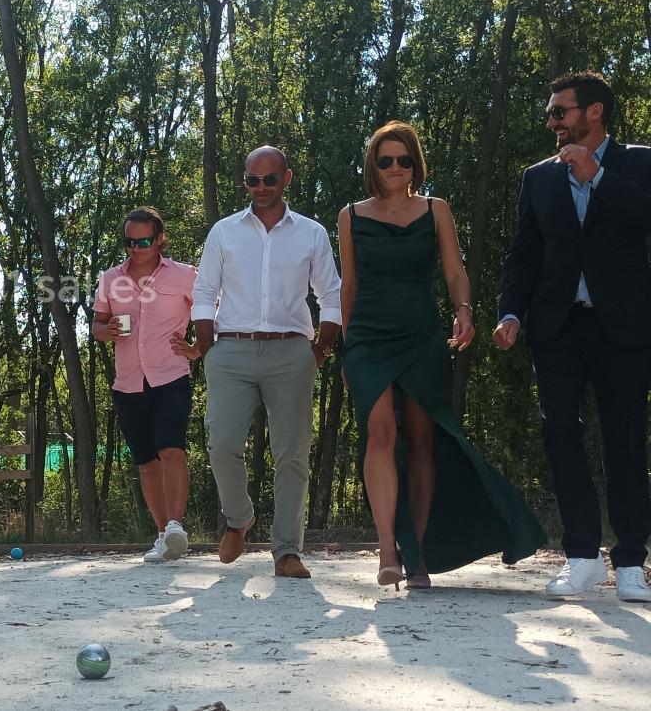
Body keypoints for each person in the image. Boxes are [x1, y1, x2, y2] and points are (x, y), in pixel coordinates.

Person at [339, 122, 545, 590]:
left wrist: (465, 311)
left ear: (416, 164)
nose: (395, 168)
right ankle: (388, 547)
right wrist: (349, 348)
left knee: (423, 442)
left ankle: (419, 555)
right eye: (385, 160)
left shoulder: (437, 210)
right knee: (379, 431)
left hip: (422, 334)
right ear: (373, 164)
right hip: (369, 336)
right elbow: (348, 284)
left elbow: (455, 272)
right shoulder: (350, 215)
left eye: (404, 160)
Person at [495, 72, 651, 602]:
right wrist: (511, 311)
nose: (552, 122)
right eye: (551, 114)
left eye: (560, 112)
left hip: (624, 327)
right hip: (556, 327)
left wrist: (598, 176)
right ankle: (582, 555)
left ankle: (631, 561)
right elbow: (524, 255)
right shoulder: (538, 178)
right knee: (560, 433)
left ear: (595, 112)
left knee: (625, 439)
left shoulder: (639, 162)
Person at [192, 146, 341, 579]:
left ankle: (287, 551)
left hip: (292, 351)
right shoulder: (224, 231)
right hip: (230, 350)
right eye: (252, 180)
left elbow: (330, 295)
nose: (260, 188)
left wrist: (320, 350)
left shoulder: (311, 233)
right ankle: (239, 519)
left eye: (269, 179)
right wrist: (208, 348)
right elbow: (204, 292)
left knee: (291, 454)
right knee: (221, 442)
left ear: (286, 179)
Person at [92, 207, 199, 563]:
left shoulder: (185, 276)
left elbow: (214, 311)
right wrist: (105, 331)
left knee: (172, 450)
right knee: (146, 462)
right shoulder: (110, 279)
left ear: (160, 239)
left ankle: (175, 526)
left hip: (171, 376)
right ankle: (161, 537)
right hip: (128, 383)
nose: (136, 248)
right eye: (129, 242)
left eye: (144, 241)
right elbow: (97, 326)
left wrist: (199, 347)